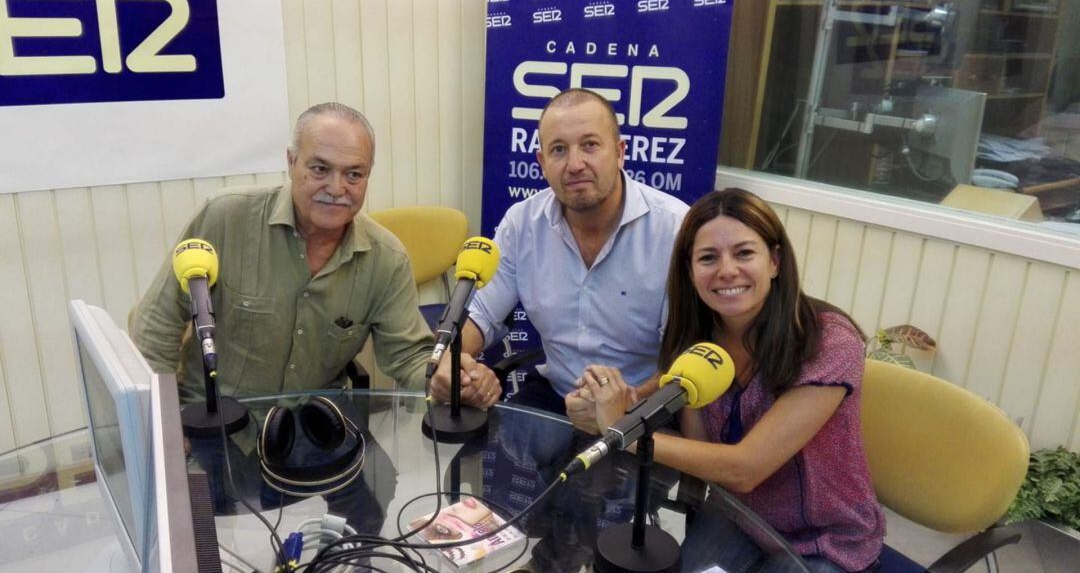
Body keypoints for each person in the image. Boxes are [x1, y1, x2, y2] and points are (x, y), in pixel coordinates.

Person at [579, 188, 885, 572]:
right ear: (690, 271)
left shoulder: (828, 341)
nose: (726, 270)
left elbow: (745, 469)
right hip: (740, 518)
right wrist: (608, 403)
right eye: (708, 257)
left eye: (744, 253)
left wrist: (623, 433)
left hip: (824, 540)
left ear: (774, 262)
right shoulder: (698, 341)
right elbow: (697, 445)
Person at [129, 101, 498, 406]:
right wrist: (165, 427)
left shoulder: (386, 258)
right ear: (291, 162)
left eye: (354, 175)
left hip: (313, 431)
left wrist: (445, 376)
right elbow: (155, 328)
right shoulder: (225, 218)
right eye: (320, 169)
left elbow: (408, 355)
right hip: (214, 422)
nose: (336, 188)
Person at [430, 88, 688, 423]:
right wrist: (454, 363)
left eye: (590, 145)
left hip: (645, 403)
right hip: (555, 394)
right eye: (559, 150)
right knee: (482, 446)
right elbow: (480, 315)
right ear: (542, 163)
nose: (575, 164)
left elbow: (686, 358)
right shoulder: (522, 223)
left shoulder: (675, 230)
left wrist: (628, 402)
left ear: (620, 152)